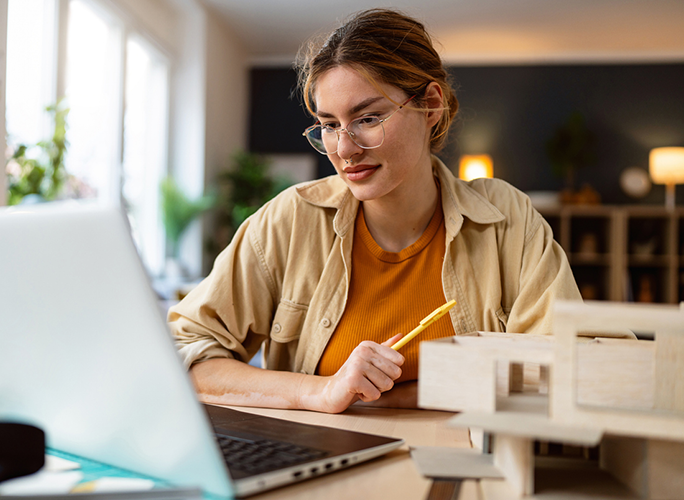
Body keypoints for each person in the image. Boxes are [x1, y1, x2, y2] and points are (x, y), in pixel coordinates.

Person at [168, 8, 581, 414]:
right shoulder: (290, 221)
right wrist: (320, 392)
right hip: (328, 466)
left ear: (431, 106)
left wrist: (409, 393)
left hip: (467, 470)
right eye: (329, 124)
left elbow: (580, 369)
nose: (344, 149)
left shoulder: (506, 219)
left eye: (368, 117)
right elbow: (183, 353)